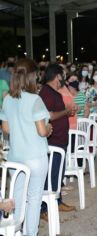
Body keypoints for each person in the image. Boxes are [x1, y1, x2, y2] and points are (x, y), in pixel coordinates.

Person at [0, 58, 52, 235]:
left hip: (16, 158)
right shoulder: (34, 99)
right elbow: (41, 131)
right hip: (35, 156)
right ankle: (31, 233)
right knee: (34, 199)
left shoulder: (7, 99)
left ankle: (14, 231)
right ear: (32, 76)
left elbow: (6, 129)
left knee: (18, 198)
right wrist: (48, 128)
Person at [39, 64, 76, 221]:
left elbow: (57, 113)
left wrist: (67, 111)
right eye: (63, 75)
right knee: (50, 174)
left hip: (60, 139)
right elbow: (48, 116)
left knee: (58, 173)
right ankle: (43, 209)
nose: (64, 78)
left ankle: (58, 200)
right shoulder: (46, 93)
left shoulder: (54, 92)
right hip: (53, 141)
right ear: (57, 76)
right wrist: (67, 111)